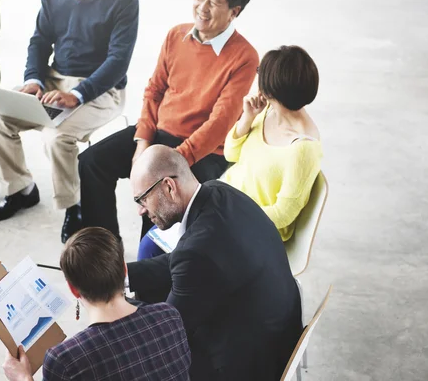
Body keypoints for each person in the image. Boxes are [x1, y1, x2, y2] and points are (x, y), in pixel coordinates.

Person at [76, 0, 259, 242]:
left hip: (204, 151)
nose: (202, 8)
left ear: (234, 12)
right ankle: (105, 250)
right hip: (159, 135)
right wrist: (142, 144)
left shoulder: (245, 56)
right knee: (92, 162)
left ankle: (147, 275)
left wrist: (165, 162)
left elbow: (221, 122)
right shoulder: (176, 35)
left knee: (159, 195)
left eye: (214, 3)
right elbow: (154, 91)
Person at [127, 145, 303, 381]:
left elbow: (166, 336)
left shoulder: (197, 252)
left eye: (143, 198)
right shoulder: (219, 192)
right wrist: (121, 274)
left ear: (169, 187)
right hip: (279, 333)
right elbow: (179, 260)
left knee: (141, 357)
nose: (140, 210)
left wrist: (110, 304)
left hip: (249, 366)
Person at [0, 0, 139, 243]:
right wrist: (33, 79)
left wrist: (78, 95)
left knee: (56, 136)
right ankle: (21, 190)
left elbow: (118, 61)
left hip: (101, 88)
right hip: (54, 80)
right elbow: (40, 40)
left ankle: (74, 207)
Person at [138, 45, 322, 259]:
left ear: (272, 91)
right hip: (223, 205)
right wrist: (247, 119)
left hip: (247, 228)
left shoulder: (303, 149)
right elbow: (231, 154)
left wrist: (228, 215)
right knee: (151, 244)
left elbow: (283, 214)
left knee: (161, 255)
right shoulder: (268, 114)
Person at [3, 227, 191, 381]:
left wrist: (22, 378)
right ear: (125, 270)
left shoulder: (66, 359)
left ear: (73, 289)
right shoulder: (169, 316)